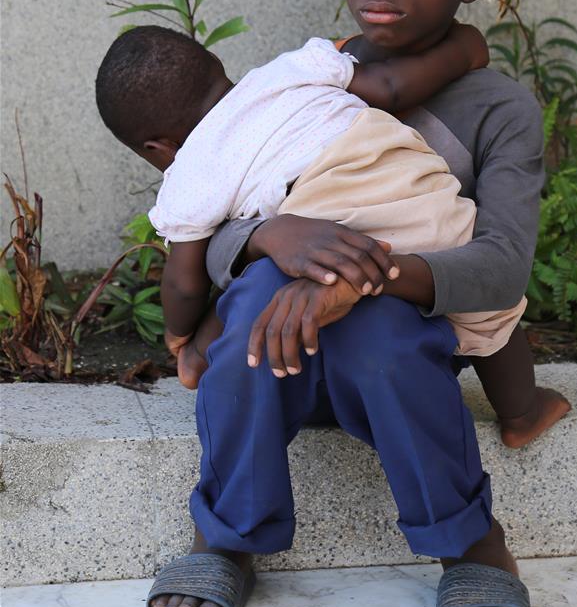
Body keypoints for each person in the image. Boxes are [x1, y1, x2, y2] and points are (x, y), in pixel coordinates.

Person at [97, 0, 569, 607]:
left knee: (377, 331)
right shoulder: (305, 79)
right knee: (249, 304)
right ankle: (226, 536)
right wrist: (271, 235)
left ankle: (471, 543)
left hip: (398, 366)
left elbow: (498, 268)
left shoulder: (499, 111)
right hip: (273, 354)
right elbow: (217, 213)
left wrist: (363, 277)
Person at [97, 23, 527, 383]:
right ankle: (521, 412)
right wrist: (466, 48)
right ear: (216, 64)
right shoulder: (292, 69)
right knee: (495, 314)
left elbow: (185, 283)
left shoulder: (187, 176)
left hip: (335, 232)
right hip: (425, 196)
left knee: (248, 279)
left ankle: (196, 359)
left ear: (158, 148)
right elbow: (392, 86)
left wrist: (178, 332)